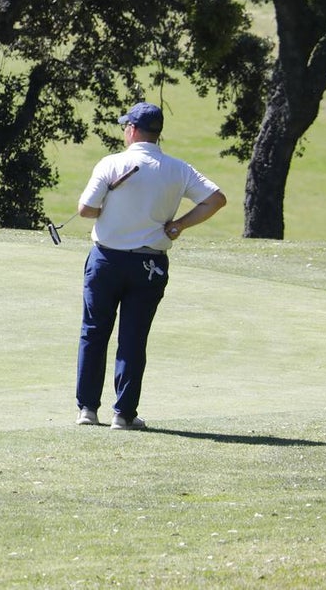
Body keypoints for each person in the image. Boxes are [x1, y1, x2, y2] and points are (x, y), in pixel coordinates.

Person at [73, 102, 226, 429]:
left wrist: (109, 212)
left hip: (106, 260)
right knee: (133, 338)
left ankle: (87, 410)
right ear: (157, 134)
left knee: (94, 332)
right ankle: (124, 415)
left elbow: (86, 209)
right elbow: (215, 199)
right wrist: (179, 225)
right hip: (149, 265)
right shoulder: (178, 168)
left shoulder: (112, 163)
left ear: (131, 130)